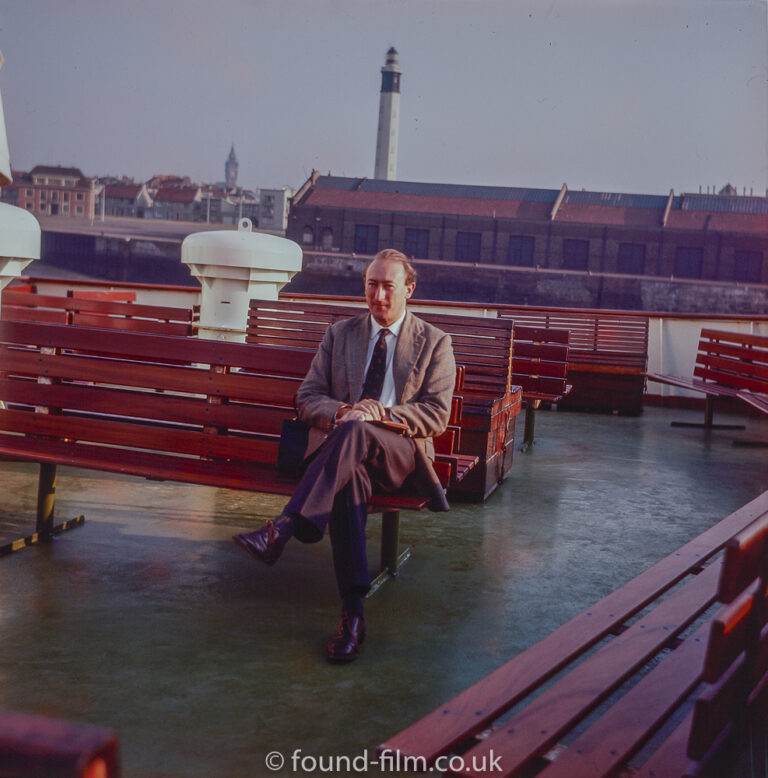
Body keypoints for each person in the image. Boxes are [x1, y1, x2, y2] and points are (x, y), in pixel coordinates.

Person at [233, 248, 455, 662]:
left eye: (389, 286)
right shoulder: (340, 334)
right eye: (372, 285)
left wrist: (381, 412)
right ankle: (353, 616)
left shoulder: (435, 343)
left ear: (409, 289)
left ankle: (284, 527)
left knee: (358, 430)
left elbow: (436, 414)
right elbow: (306, 398)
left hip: (398, 454)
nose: (379, 296)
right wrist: (342, 411)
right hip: (343, 457)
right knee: (349, 480)